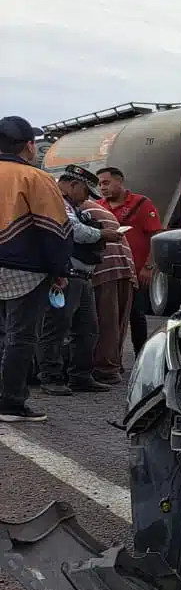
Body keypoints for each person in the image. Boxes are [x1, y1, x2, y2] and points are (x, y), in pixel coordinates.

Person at [0, 116, 71, 422]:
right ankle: (11, 403)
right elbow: (54, 229)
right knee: (21, 336)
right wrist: (60, 269)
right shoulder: (35, 178)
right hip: (25, 270)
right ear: (29, 145)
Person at [38, 165, 109, 395]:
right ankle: (51, 377)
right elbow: (74, 231)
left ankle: (80, 375)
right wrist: (101, 234)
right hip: (65, 275)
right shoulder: (58, 202)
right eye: (86, 193)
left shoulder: (71, 205)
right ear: (74, 185)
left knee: (87, 329)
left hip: (81, 276)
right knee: (56, 328)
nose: (87, 199)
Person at [98, 165, 163, 350]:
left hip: (135, 272)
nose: (102, 187)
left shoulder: (142, 204)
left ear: (119, 181)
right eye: (99, 184)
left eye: (106, 182)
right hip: (111, 273)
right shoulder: (100, 207)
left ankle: (140, 354)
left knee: (137, 316)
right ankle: (112, 358)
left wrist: (149, 267)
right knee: (110, 318)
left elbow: (154, 235)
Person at [86, 173, 136, 384]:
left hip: (106, 266)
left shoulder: (79, 208)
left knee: (104, 320)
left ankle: (106, 370)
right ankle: (113, 365)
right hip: (124, 264)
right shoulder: (97, 207)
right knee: (117, 321)